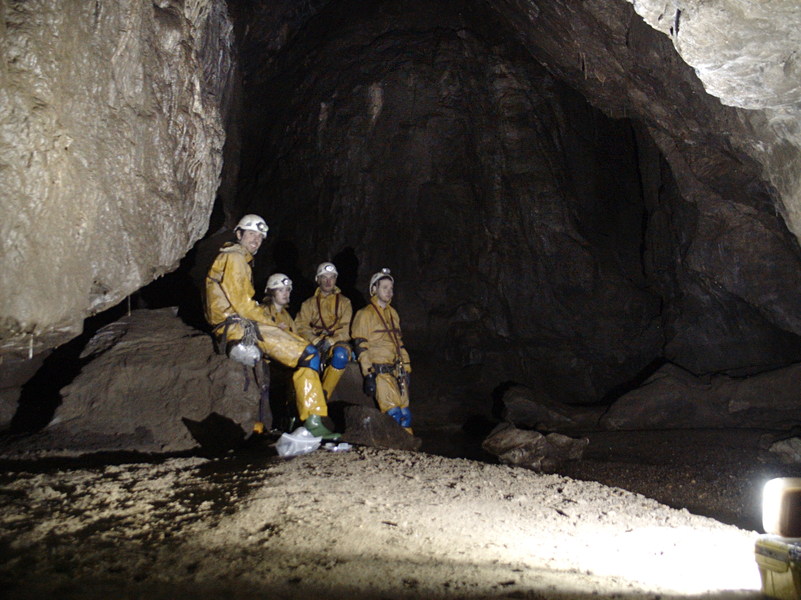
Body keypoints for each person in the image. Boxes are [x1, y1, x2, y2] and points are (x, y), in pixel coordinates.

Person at [204, 214, 339, 440]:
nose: (256, 240)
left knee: (305, 354)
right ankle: (312, 422)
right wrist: (272, 325)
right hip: (239, 326)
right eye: (251, 234)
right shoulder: (235, 259)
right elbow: (244, 306)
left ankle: (304, 419)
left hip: (235, 324)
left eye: (260, 237)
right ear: (239, 234)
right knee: (308, 354)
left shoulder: (235, 259)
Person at [351, 268, 413, 433]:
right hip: (380, 371)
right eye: (384, 287)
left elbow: (399, 343)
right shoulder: (364, 314)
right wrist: (368, 373)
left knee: (406, 414)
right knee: (393, 414)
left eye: (391, 288)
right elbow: (361, 345)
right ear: (374, 289)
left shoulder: (393, 314)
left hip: (397, 371)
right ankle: (393, 448)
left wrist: (407, 368)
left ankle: (410, 450)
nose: (389, 291)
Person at [295, 262, 353, 401]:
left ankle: (322, 396)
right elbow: (300, 325)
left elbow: (347, 328)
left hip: (337, 341)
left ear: (335, 279)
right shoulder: (308, 304)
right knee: (305, 358)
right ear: (318, 279)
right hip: (315, 340)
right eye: (324, 277)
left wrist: (330, 341)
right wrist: (315, 340)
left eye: (331, 277)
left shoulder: (345, 303)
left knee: (340, 356)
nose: (328, 281)